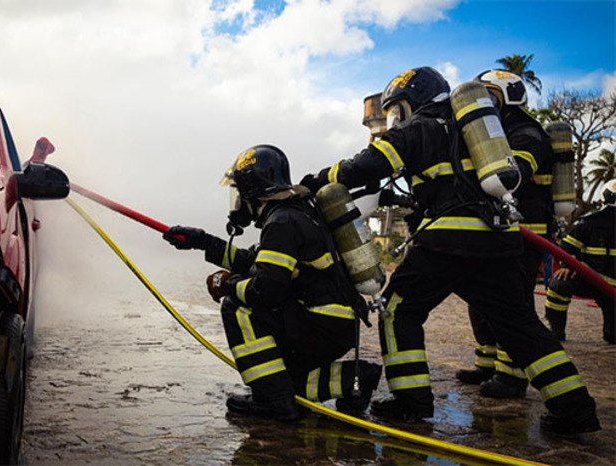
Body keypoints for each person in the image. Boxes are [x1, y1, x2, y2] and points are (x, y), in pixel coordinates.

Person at [300, 66, 600, 434]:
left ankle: (411, 402)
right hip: (498, 236)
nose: (397, 118)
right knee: (518, 323)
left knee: (398, 309)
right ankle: (575, 409)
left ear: (416, 100)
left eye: (398, 109)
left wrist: (315, 181)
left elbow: (367, 167)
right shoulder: (479, 128)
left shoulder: (420, 126)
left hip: (448, 236)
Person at [162, 144, 382, 421]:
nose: (238, 203)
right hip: (334, 324)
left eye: (238, 193)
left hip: (319, 324)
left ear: (253, 190)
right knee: (285, 379)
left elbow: (264, 291)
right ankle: (355, 378)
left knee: (237, 307)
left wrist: (228, 284)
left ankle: (272, 402)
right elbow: (253, 261)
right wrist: (202, 242)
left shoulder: (282, 222)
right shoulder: (297, 213)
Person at [454, 70, 554, 399]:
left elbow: (515, 173)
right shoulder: (495, 132)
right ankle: (487, 363)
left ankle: (512, 377)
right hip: (499, 231)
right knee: (480, 300)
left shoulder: (527, 132)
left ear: (508, 97)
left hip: (526, 233)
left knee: (514, 305)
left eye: (490, 95)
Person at [544, 179, 616, 344]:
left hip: (595, 282)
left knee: (613, 336)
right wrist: (568, 264)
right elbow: (567, 249)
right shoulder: (589, 225)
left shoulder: (589, 223)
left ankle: (556, 331)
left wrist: (568, 263)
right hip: (593, 280)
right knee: (559, 283)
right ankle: (556, 330)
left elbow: (566, 248)